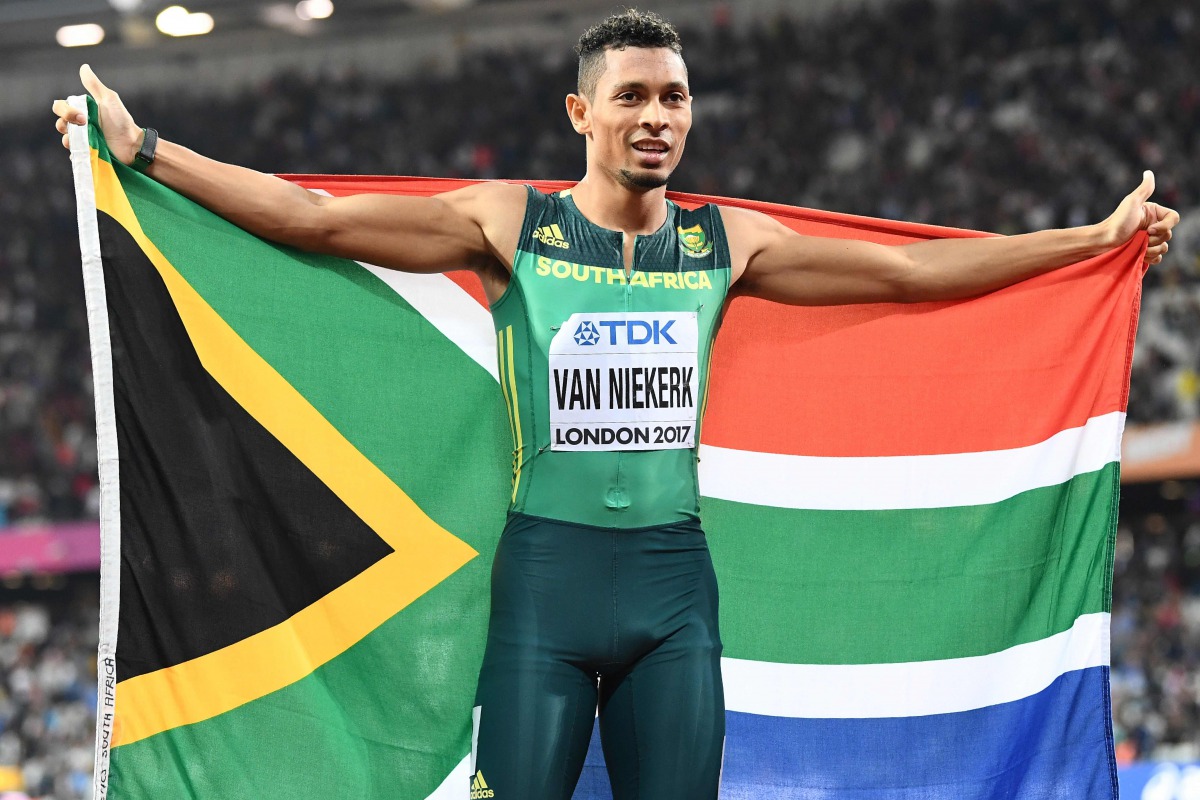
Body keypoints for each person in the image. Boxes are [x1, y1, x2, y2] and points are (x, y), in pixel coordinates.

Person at [53, 9, 1178, 800]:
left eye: (674, 98)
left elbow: (911, 276)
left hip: (673, 592)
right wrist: (149, 149)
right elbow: (312, 219)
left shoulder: (720, 243)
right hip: (545, 586)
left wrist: (1089, 241)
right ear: (580, 113)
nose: (657, 116)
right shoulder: (513, 225)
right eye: (631, 96)